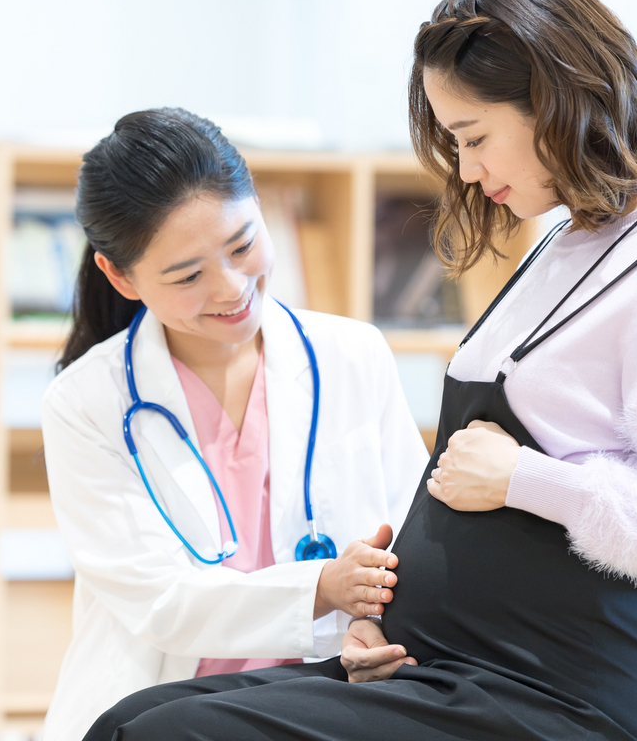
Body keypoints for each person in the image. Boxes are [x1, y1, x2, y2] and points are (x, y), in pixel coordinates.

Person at [83, 0, 637, 741]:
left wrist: (526, 479)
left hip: (558, 696)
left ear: (555, 99)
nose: (466, 167)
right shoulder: (568, 241)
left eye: (475, 135)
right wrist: (377, 621)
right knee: (134, 719)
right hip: (452, 667)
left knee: (165, 738)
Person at [39, 107, 428, 741]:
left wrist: (372, 625)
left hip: (329, 695)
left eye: (243, 244)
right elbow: (160, 601)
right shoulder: (86, 403)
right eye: (188, 275)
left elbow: (413, 539)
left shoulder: (353, 356)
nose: (230, 289)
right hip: (163, 706)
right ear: (120, 275)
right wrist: (322, 588)